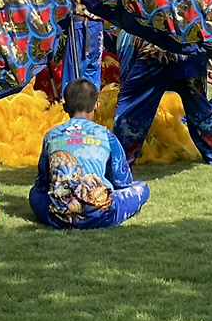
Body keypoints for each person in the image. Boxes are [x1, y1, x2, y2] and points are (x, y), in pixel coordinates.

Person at [30, 78, 150, 229]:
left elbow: (42, 182)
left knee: (34, 194)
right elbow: (122, 181)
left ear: (65, 107)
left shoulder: (51, 135)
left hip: (59, 216)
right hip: (103, 216)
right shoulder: (105, 135)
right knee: (142, 187)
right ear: (96, 106)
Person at [111, 31, 212, 166]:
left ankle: (120, 163)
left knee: (131, 110)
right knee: (200, 109)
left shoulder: (128, 31)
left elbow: (126, 81)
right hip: (190, 48)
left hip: (155, 52)